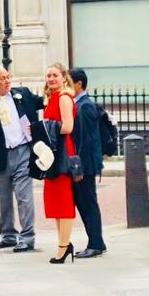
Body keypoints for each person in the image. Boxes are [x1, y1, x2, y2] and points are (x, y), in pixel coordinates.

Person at [0, 66, 43, 254]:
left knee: (24, 197)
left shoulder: (22, 94)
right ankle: (8, 235)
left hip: (23, 151)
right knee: (3, 200)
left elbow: (43, 102)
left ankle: (27, 237)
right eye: (2, 78)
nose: (7, 81)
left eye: (8, 77)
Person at [42, 63, 78, 264]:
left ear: (64, 77)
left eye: (55, 75)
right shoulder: (53, 97)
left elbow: (68, 127)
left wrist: (44, 127)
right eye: (48, 76)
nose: (51, 79)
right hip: (53, 152)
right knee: (55, 201)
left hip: (62, 152)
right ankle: (63, 243)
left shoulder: (64, 97)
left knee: (63, 201)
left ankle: (63, 247)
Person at [69, 68, 106, 258]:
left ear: (79, 84)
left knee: (88, 204)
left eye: (69, 83)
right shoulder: (79, 104)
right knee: (84, 203)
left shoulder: (84, 106)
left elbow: (86, 140)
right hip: (84, 164)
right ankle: (97, 241)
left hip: (85, 166)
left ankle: (95, 244)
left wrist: (78, 168)